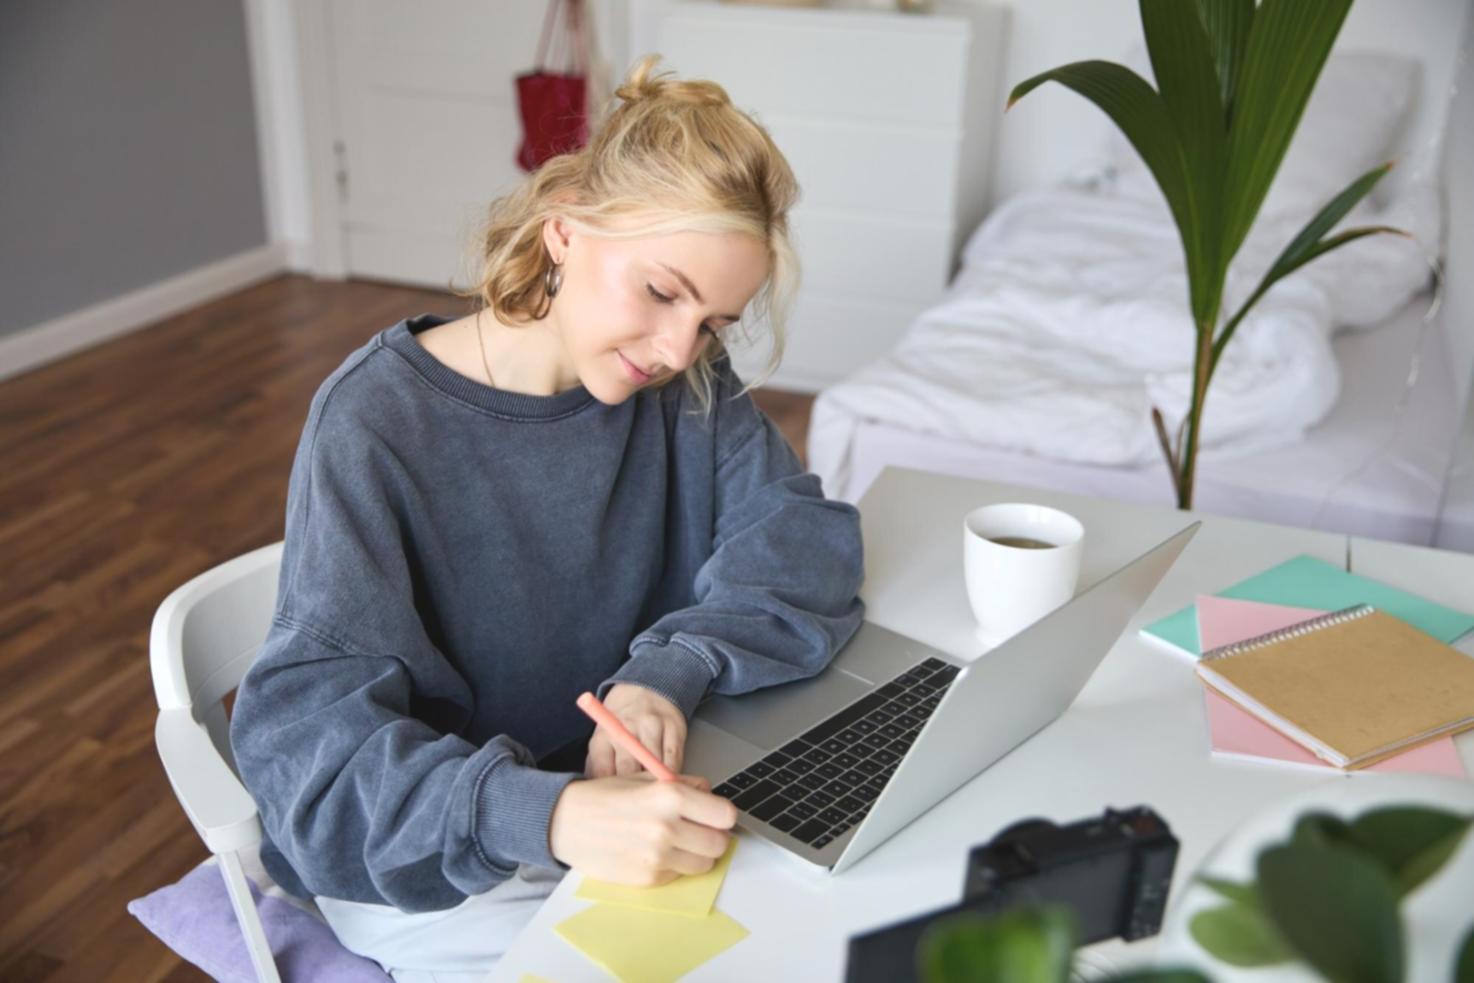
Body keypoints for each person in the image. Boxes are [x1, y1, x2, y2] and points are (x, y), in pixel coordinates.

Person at [227, 53, 866, 982]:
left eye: (716, 322)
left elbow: (799, 543)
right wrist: (552, 817)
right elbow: (315, 772)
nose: (677, 346)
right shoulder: (374, 424)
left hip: (616, 802)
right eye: (661, 291)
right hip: (444, 859)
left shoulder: (682, 378)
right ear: (564, 234)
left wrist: (668, 672)